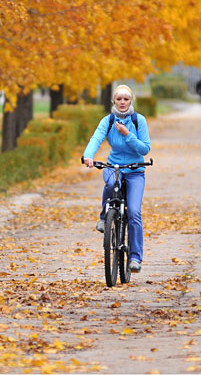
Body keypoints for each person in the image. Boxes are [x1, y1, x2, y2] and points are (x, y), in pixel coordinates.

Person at [82, 84, 151, 273]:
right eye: (119, 99)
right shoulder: (108, 120)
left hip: (135, 170)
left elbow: (145, 149)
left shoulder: (139, 121)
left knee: (134, 212)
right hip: (114, 166)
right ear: (114, 100)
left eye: (126, 99)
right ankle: (105, 218)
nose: (122, 102)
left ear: (131, 101)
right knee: (111, 182)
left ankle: (135, 258)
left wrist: (128, 135)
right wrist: (88, 156)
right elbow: (96, 138)